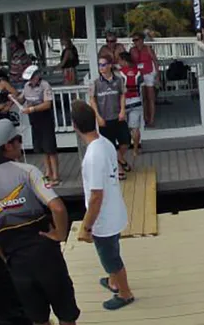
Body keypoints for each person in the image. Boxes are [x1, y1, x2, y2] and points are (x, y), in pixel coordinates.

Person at [0, 120, 80, 325]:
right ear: (8, 146)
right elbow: (57, 207)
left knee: (38, 318)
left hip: (17, 262)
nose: (21, 145)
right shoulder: (28, 171)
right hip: (46, 256)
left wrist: (5, 257)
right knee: (66, 315)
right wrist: (60, 234)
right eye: (18, 140)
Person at [71, 100, 134, 311]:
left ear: (75, 126)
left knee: (110, 258)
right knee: (112, 249)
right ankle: (112, 281)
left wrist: (87, 226)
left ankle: (125, 293)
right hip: (115, 209)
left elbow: (96, 196)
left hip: (103, 217)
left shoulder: (92, 156)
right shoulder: (105, 143)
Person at [88, 54, 129, 179]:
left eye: (104, 64)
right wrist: (98, 117)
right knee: (109, 145)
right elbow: (92, 100)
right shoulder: (95, 83)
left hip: (118, 116)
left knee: (125, 141)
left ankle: (120, 158)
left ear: (110, 65)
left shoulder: (119, 80)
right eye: (99, 65)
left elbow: (122, 95)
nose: (101, 67)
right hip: (104, 119)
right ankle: (119, 168)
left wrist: (123, 110)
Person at [18, 65, 59, 186]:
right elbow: (22, 99)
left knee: (50, 148)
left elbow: (47, 104)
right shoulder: (26, 86)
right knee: (41, 148)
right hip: (34, 120)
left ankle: (56, 175)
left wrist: (31, 109)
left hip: (45, 118)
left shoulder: (45, 85)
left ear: (37, 76)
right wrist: (12, 98)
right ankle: (48, 172)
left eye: (31, 78)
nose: (30, 81)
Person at [117, 52, 144, 157]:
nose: (118, 62)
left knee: (123, 129)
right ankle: (135, 150)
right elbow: (141, 84)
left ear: (124, 60)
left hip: (124, 103)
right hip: (136, 101)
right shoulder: (138, 72)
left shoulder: (120, 73)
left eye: (119, 60)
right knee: (135, 128)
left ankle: (123, 150)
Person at [129, 32, 158, 126]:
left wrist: (157, 75)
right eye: (133, 40)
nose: (135, 42)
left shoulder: (148, 48)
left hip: (149, 74)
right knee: (142, 98)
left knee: (151, 98)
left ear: (141, 40)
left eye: (136, 40)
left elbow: (155, 61)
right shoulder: (132, 50)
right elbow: (130, 63)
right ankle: (144, 118)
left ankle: (152, 119)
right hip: (138, 75)